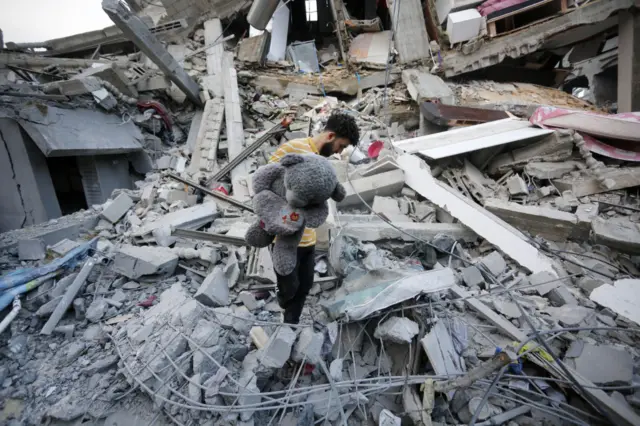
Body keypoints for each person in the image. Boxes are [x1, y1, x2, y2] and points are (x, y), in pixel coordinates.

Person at [268, 112, 360, 324]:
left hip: (308, 239)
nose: (338, 152)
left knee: (304, 286)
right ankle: (282, 296)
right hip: (285, 238)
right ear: (330, 136)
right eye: (339, 146)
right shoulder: (293, 148)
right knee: (289, 289)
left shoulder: (324, 164)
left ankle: (290, 326)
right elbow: (265, 181)